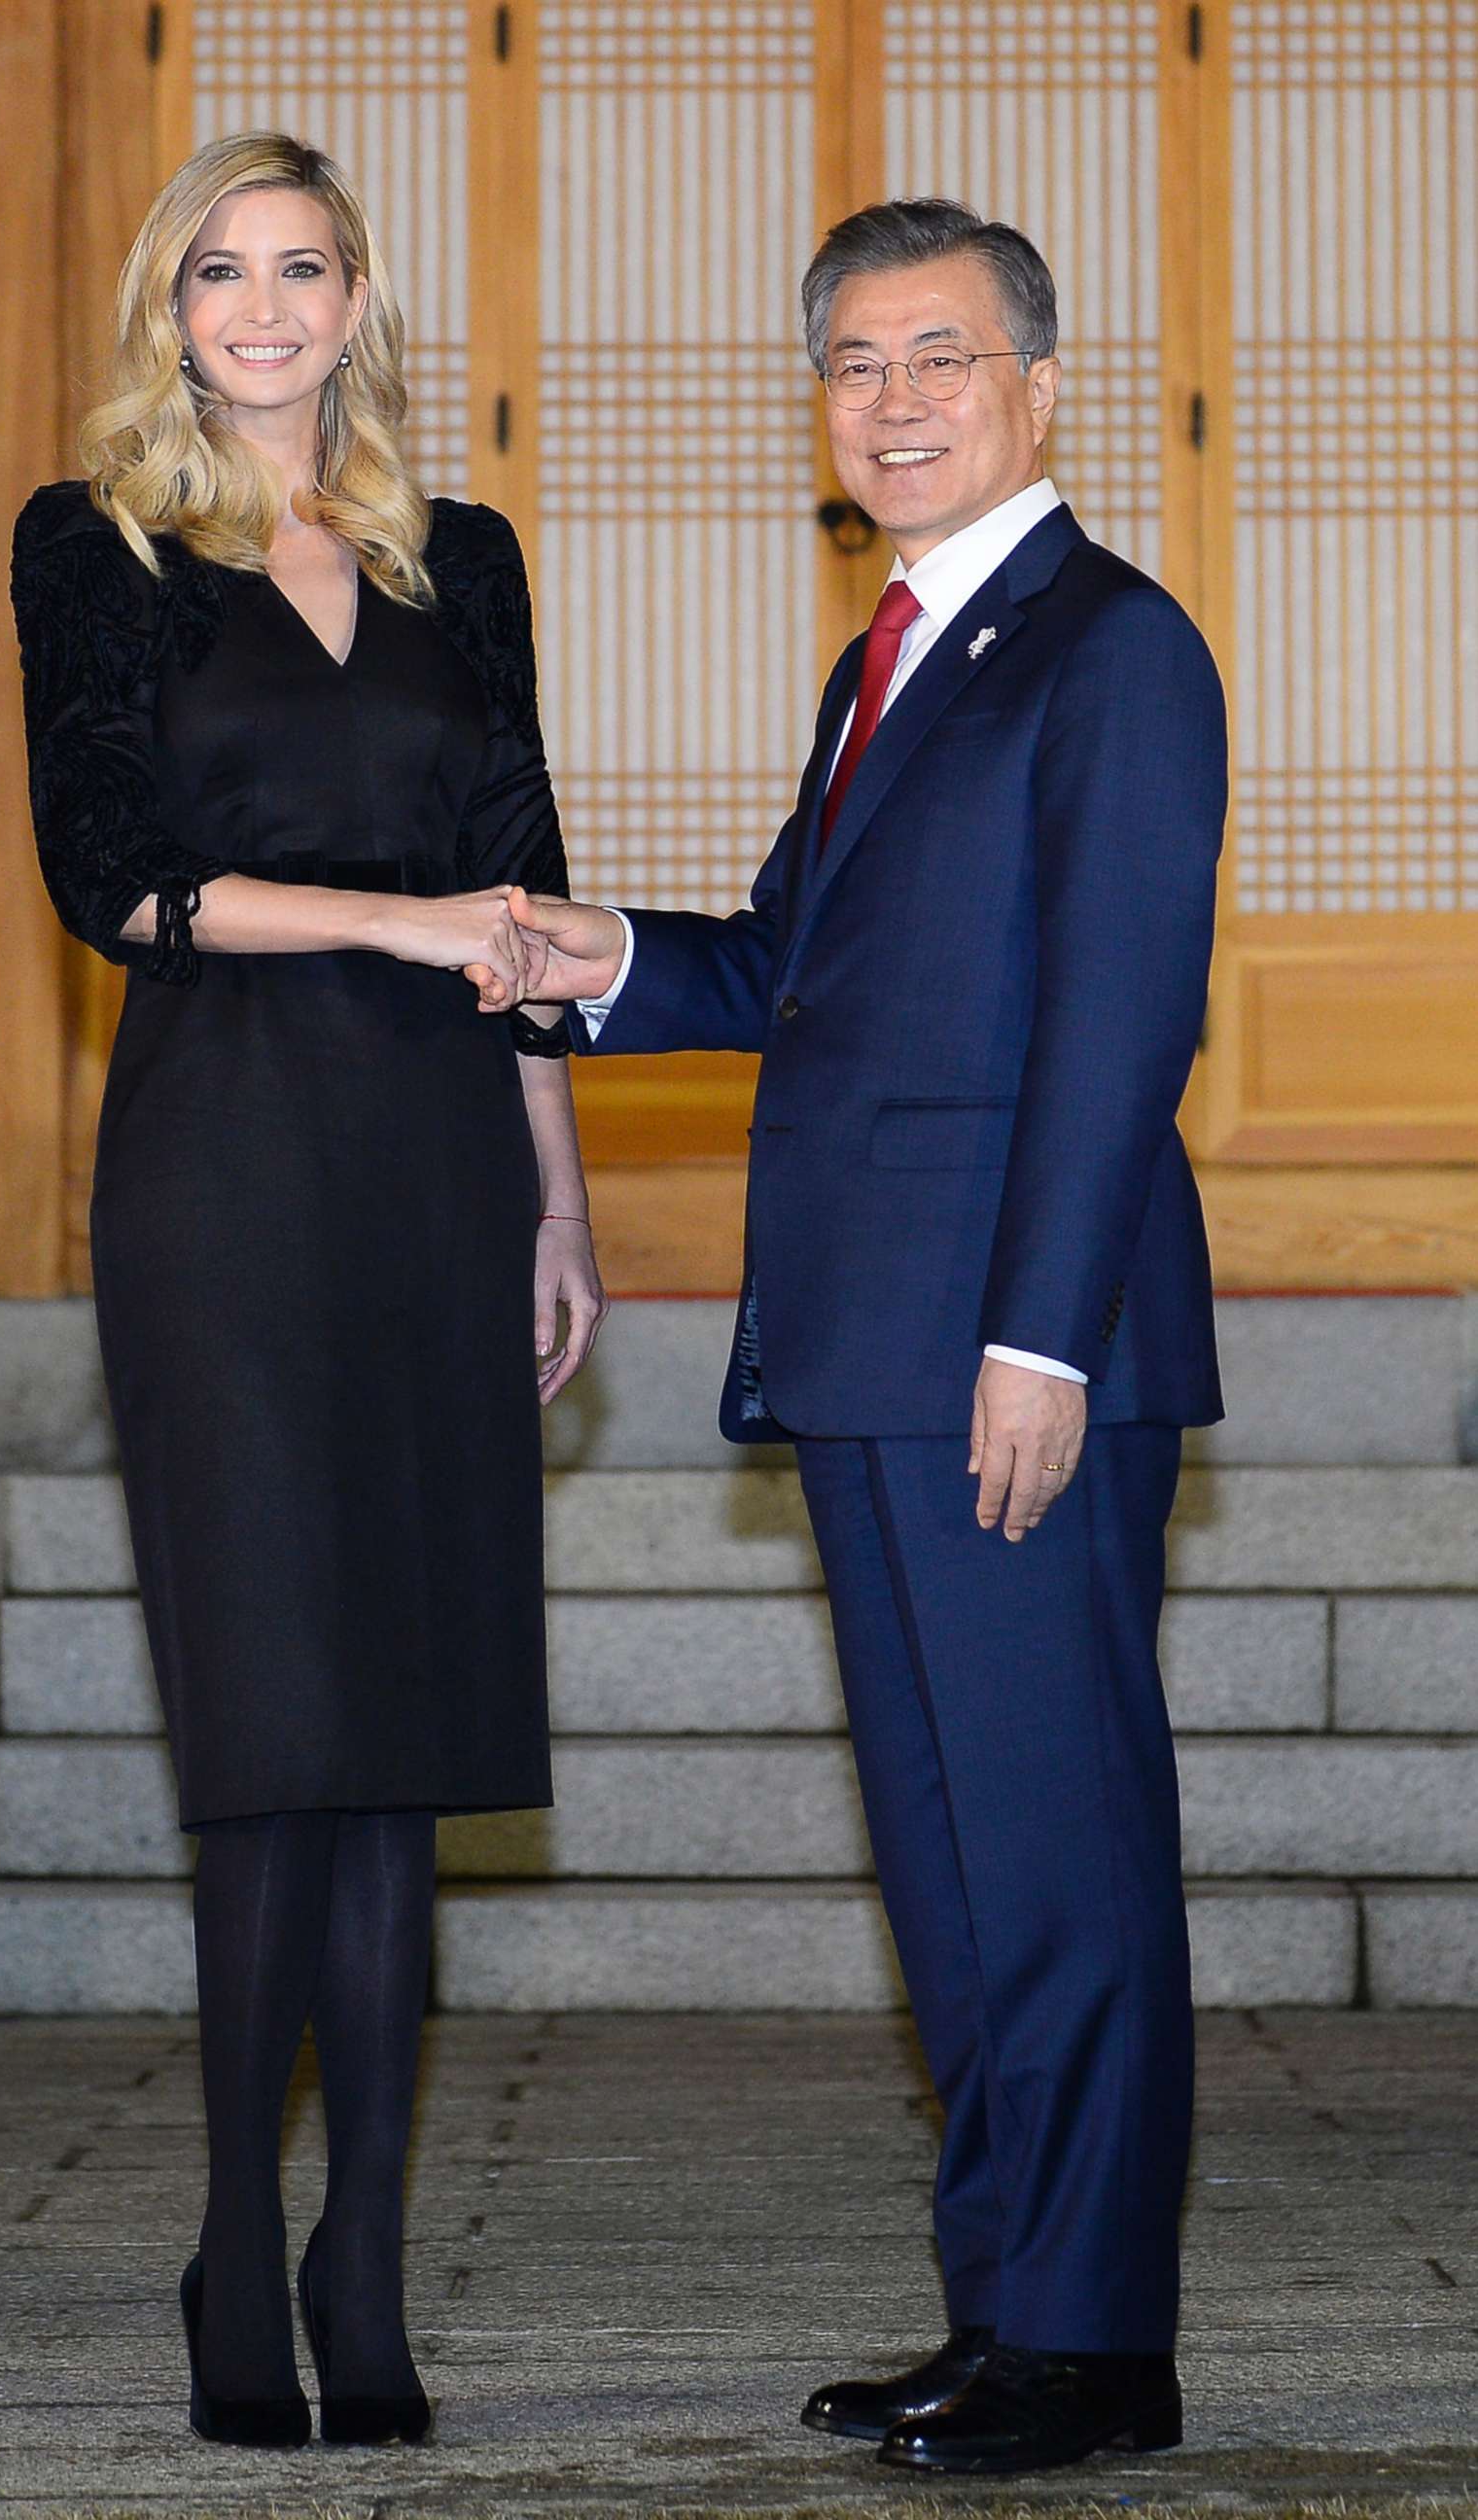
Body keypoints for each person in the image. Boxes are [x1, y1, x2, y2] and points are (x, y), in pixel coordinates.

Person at [481, 198, 1227, 2477]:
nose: (891, 399)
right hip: (865, 1348)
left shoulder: (1110, 648)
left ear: (1037, 382)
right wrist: (581, 958)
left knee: (1058, 1852)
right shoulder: (887, 659)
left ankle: (1097, 2352)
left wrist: (1041, 1338)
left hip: (1001, 1356)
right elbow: (784, 968)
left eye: (939, 356)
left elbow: (1118, 1023)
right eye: (851, 365)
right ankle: (1005, 2314)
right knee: (953, 1866)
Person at [10, 129, 603, 2453]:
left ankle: (365, 2252)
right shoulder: (104, 544)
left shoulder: (466, 563)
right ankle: (232, 2255)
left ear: (359, 302)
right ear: (172, 305)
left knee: (405, 1743)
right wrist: (397, 928)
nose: (260, 308)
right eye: (219, 271)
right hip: (226, 1168)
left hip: (446, 1170)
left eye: (303, 269)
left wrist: (554, 1200)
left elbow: (525, 897)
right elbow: (114, 876)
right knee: (273, 1741)